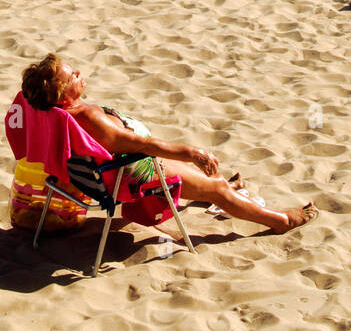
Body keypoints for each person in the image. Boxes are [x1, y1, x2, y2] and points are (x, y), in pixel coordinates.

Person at [18, 54, 319, 235]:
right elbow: (140, 145)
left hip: (104, 173)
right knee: (218, 189)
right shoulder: (87, 117)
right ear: (62, 93)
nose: (79, 74)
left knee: (205, 181)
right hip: (129, 175)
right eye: (73, 75)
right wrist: (191, 152)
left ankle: (206, 188)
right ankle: (279, 220)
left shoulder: (49, 113)